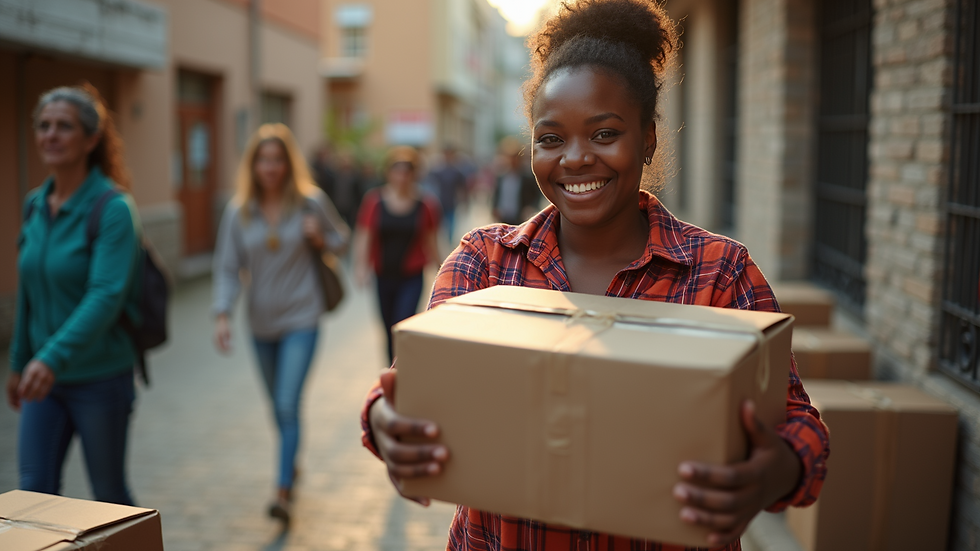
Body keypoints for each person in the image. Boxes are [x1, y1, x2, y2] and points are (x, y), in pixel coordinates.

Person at [359, 1, 830, 550]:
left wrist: (774, 472)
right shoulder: (484, 263)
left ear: (648, 138)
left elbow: (800, 424)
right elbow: (411, 387)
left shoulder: (719, 273)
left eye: (604, 134)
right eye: (551, 139)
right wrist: (386, 420)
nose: (575, 159)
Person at [8, 84, 143, 506]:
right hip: (44, 379)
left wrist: (49, 357)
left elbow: (105, 294)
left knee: (108, 497)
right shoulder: (35, 204)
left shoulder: (113, 208)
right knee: (34, 494)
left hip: (100, 377)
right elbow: (28, 290)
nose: (51, 135)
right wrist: (19, 362)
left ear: (91, 139)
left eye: (64, 127)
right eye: (44, 126)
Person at [211, 123, 350, 522]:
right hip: (260, 323)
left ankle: (282, 492)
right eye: (262, 160)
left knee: (287, 404)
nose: (269, 167)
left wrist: (322, 239)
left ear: (288, 164)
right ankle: (292, 460)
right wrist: (222, 313)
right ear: (252, 165)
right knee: (278, 407)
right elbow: (226, 267)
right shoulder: (239, 212)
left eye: (277, 160)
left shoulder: (310, 202)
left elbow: (342, 238)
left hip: (302, 318)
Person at [353, 146, 441, 365]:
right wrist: (360, 267)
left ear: (414, 174)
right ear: (389, 173)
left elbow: (432, 241)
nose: (402, 176)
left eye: (407, 171)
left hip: (411, 276)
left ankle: (402, 371)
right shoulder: (374, 201)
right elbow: (365, 235)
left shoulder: (425, 204)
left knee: (403, 324)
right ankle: (390, 372)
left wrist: (443, 272)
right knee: (387, 328)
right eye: (397, 170)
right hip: (383, 275)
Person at [491, 138, 541, 225]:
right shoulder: (502, 177)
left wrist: (531, 208)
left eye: (515, 157)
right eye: (510, 157)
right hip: (503, 218)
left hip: (521, 218)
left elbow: (537, 196)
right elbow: (496, 195)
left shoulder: (528, 178)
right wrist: (494, 208)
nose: (512, 161)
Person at [427, 144, 470, 243]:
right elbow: (430, 186)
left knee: (450, 226)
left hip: (451, 203)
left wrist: (465, 200)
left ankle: (448, 243)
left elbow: (462, 187)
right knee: (438, 226)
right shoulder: (437, 170)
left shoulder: (457, 171)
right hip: (438, 203)